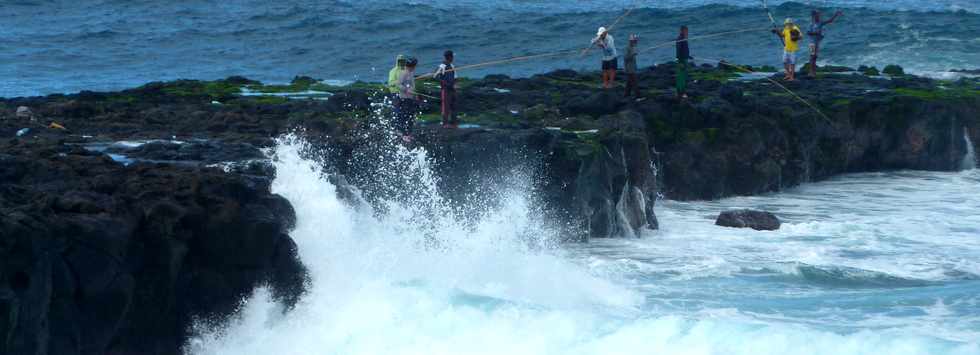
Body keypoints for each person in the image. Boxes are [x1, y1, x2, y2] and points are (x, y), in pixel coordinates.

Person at [806, 10, 843, 77]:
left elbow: (830, 21)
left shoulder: (820, 23)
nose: (819, 16)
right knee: (812, 57)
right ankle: (811, 72)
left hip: (817, 42)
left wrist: (836, 14)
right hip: (812, 43)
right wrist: (816, 33)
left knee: (815, 57)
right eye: (817, 15)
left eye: (819, 15)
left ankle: (813, 72)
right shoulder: (811, 24)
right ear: (814, 16)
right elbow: (808, 32)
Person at [396, 57, 419, 142]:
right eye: (414, 65)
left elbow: (413, 85)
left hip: (410, 98)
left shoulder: (411, 73)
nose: (415, 67)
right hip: (404, 98)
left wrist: (415, 95)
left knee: (411, 116)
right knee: (404, 116)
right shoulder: (403, 73)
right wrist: (406, 89)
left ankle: (409, 134)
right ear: (411, 65)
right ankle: (404, 134)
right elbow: (398, 85)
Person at [434, 50, 458, 128]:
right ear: (450, 57)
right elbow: (435, 76)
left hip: (452, 89)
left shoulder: (452, 66)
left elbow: (455, 77)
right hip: (446, 89)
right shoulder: (442, 66)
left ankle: (454, 123)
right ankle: (445, 123)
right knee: (446, 107)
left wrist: (455, 85)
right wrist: (446, 84)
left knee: (453, 106)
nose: (453, 58)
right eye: (452, 56)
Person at [676, 26, 693, 99]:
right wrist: (679, 61)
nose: (687, 33)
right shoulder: (680, 39)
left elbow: (684, 49)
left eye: (687, 31)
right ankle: (680, 93)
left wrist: (688, 56)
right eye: (686, 31)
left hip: (684, 59)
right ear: (682, 31)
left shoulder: (683, 39)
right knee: (681, 77)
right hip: (681, 60)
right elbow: (678, 50)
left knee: (683, 76)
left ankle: (681, 92)